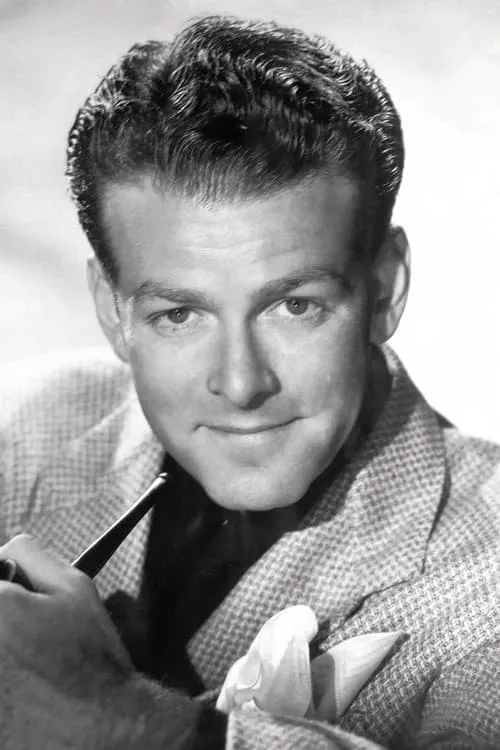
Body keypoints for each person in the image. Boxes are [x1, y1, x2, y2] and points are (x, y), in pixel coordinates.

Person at [0, 13, 499, 750]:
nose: (240, 384)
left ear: (385, 289)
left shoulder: (486, 584)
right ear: (112, 310)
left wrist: (119, 718)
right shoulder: (23, 433)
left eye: (295, 306)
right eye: (179, 315)